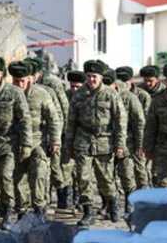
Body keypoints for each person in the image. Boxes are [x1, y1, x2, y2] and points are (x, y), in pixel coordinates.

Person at [65, 60, 126, 226]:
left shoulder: (111, 94)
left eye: (94, 76)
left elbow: (120, 121)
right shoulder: (78, 95)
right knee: (83, 179)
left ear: (101, 77)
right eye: (89, 76)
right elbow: (71, 122)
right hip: (83, 141)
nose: (91, 80)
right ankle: (88, 211)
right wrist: (68, 146)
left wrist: (120, 144)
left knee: (105, 179)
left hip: (104, 141)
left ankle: (113, 203)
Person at [0, 56, 32, 229]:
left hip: (9, 142)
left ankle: (9, 212)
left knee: (5, 177)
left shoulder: (14, 92)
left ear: (2, 73)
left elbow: (25, 120)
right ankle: (1, 209)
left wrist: (26, 144)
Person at [9, 60, 60, 221]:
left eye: (22, 81)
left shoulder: (41, 94)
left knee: (39, 174)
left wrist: (54, 141)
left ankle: (39, 209)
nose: (19, 84)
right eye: (15, 81)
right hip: (15, 143)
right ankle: (22, 210)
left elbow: (53, 119)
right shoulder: (8, 94)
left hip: (37, 140)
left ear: (29, 79)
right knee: (17, 179)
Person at [103, 69, 144, 216]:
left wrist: (140, 144)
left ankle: (129, 203)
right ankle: (110, 204)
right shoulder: (100, 95)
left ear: (115, 84)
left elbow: (139, 122)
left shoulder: (129, 97)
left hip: (127, 143)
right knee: (107, 176)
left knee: (127, 174)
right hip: (105, 142)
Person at [116, 66, 151, 189]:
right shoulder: (115, 95)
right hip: (121, 140)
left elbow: (144, 121)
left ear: (131, 81)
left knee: (140, 170)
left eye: (125, 83)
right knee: (122, 173)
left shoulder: (142, 96)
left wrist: (141, 143)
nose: (123, 86)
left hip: (136, 137)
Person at [64, 70, 86, 209]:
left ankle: (79, 196)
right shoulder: (64, 96)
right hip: (67, 136)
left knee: (81, 169)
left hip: (82, 138)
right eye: (72, 86)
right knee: (67, 168)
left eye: (77, 86)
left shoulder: (86, 96)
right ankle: (69, 195)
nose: (74, 89)